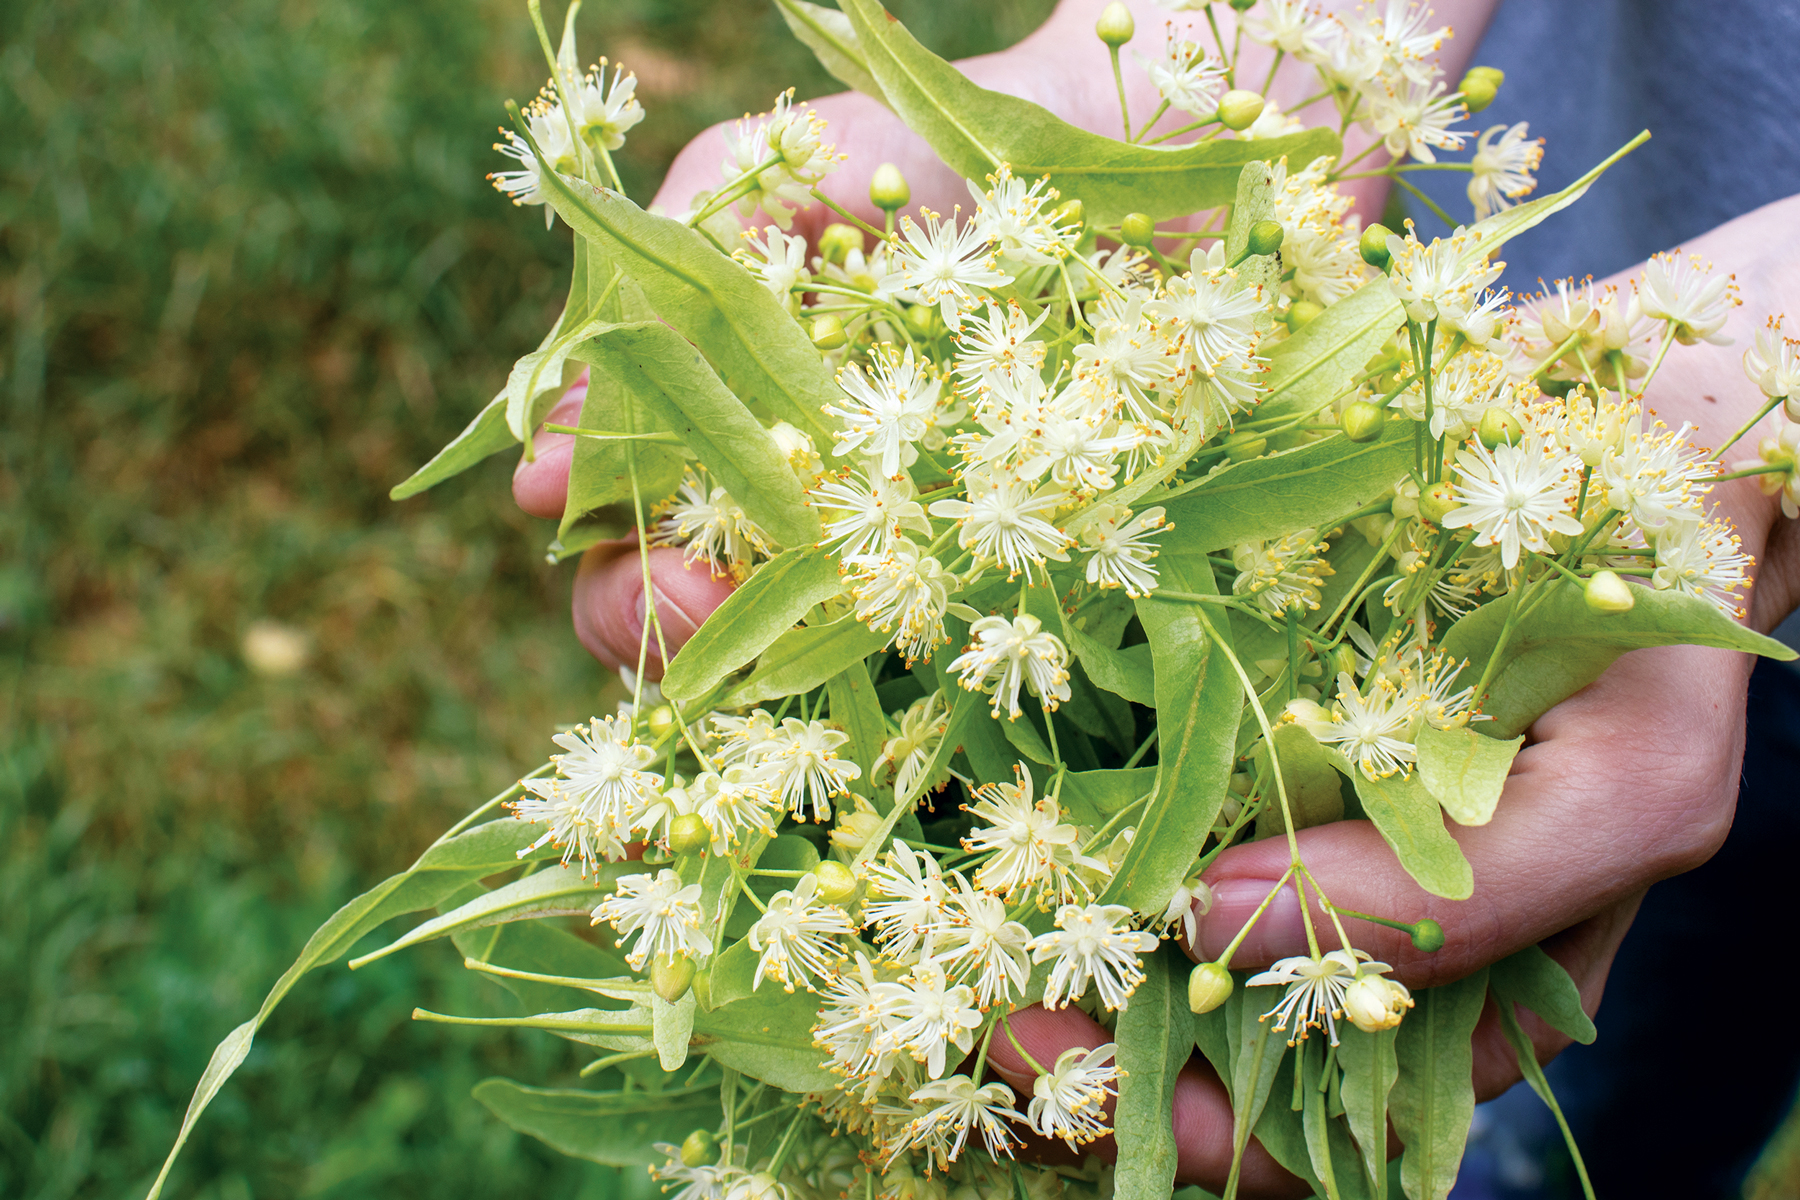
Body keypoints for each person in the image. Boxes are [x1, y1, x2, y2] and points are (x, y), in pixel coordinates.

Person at [511, 2, 1800, 1192]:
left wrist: (1741, 405)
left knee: (1660, 1050)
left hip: (1638, 449)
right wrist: (1213, 69)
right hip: (1528, 381)